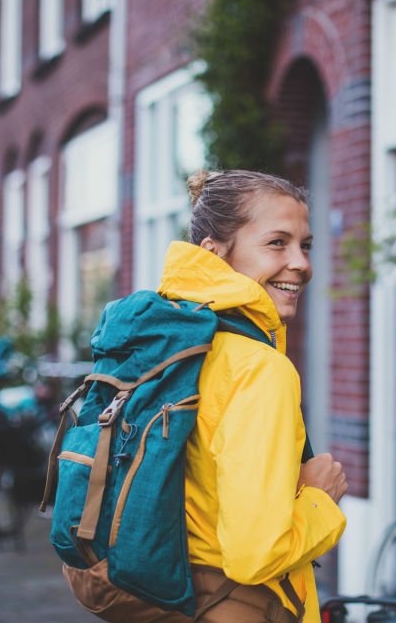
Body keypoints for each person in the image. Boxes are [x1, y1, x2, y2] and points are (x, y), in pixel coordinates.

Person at [156, 169, 348, 623]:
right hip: (239, 603)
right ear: (215, 253)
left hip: (178, 596)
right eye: (277, 243)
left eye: (305, 245)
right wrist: (321, 499)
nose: (300, 263)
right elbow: (255, 554)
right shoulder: (259, 369)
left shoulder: (180, 342)